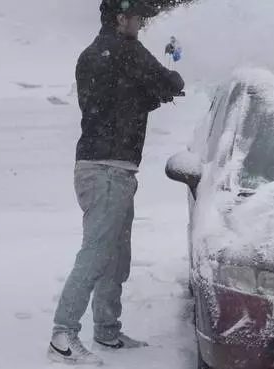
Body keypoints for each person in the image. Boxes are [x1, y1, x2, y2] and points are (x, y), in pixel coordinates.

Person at [47, 0, 185, 365]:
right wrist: (175, 75)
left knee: (115, 256)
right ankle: (63, 334)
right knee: (95, 253)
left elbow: (128, 101)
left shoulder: (96, 55)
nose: (140, 24)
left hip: (109, 168)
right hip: (106, 172)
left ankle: (107, 331)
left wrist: (162, 88)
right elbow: (163, 82)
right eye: (137, 18)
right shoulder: (124, 48)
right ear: (122, 19)